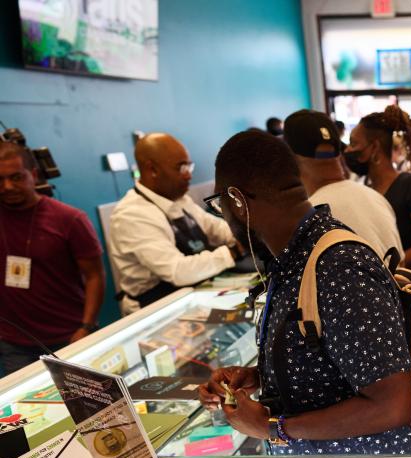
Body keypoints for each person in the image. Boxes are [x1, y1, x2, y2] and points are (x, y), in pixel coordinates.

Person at [197, 130, 411, 455]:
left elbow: (392, 405)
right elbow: (329, 359)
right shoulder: (294, 258)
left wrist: (271, 426)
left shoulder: (337, 266)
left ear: (238, 202)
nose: (224, 217)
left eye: (220, 206)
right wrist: (258, 375)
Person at [109, 133, 244, 315]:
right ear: (152, 170)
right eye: (181, 167)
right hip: (156, 307)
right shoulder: (131, 215)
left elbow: (216, 228)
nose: (188, 175)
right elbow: (178, 271)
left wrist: (245, 233)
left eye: (189, 166)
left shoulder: (178, 199)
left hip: (194, 291)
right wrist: (235, 251)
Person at [0, 142, 105, 375]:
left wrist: (87, 326)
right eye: (0, 179)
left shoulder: (69, 219)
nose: (7, 186)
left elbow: (95, 275)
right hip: (14, 345)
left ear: (33, 174)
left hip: (70, 337)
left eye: (16, 177)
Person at [343, 105, 411, 321]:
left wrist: (385, 267)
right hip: (391, 290)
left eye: (354, 144)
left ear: (374, 148)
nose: (348, 151)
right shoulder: (365, 190)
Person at [283, 109, 404, 262]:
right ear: (339, 152)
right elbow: (402, 265)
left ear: (290, 158)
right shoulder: (375, 198)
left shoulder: (312, 215)